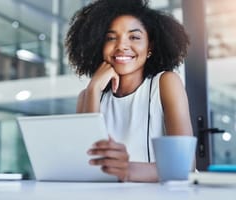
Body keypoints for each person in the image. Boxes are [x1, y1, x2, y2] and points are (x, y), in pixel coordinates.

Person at [65, 0, 193, 182]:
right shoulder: (88, 95)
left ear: (150, 48)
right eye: (111, 38)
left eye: (134, 37)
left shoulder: (165, 83)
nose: (121, 46)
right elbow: (87, 166)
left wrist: (127, 170)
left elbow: (184, 166)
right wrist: (93, 89)